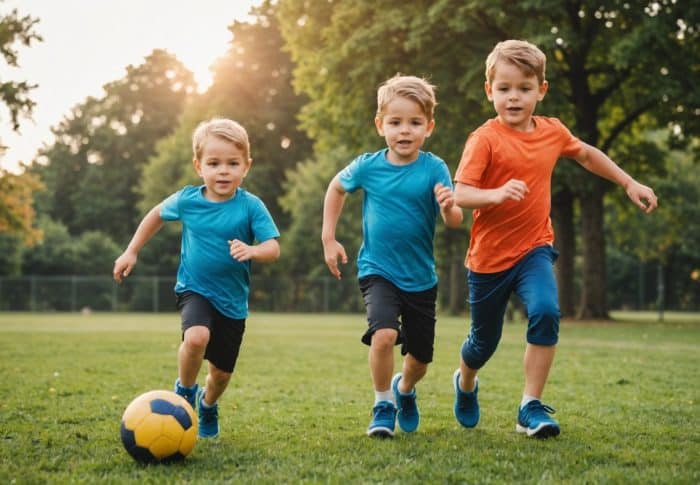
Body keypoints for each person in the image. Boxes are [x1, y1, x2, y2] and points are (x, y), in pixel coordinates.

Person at [451, 39, 658, 438]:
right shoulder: (484, 139)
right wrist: (494, 195)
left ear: (541, 91)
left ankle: (530, 406)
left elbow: (585, 154)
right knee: (482, 343)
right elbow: (460, 193)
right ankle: (464, 382)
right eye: (504, 89)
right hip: (489, 259)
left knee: (546, 310)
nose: (514, 98)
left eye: (524, 89)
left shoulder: (552, 131)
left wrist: (628, 182)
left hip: (534, 249)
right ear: (488, 90)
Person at [112, 118, 280, 439]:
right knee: (196, 337)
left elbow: (273, 248)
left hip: (232, 302)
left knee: (220, 374)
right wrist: (131, 251)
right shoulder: (188, 200)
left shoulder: (250, 206)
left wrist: (253, 251)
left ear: (246, 166)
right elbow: (156, 215)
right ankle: (185, 392)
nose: (223, 171)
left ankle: (207, 404)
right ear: (198, 166)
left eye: (233, 163)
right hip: (195, 289)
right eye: (214, 163)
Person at [322, 74, 463, 437]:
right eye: (395, 122)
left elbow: (454, 221)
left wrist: (449, 207)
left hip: (420, 278)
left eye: (414, 123)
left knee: (420, 361)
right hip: (377, 270)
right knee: (383, 335)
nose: (404, 131)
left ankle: (404, 388)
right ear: (380, 125)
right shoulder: (368, 166)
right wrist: (329, 238)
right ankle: (383, 404)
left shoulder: (434, 168)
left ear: (429, 127)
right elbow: (336, 188)